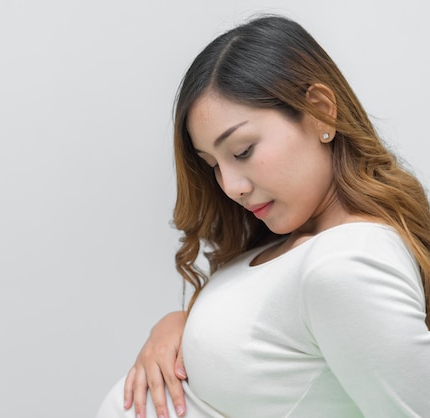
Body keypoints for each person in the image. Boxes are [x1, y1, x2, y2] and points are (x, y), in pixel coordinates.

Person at [95, 14, 430, 418]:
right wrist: (178, 323)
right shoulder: (298, 241)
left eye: (241, 151)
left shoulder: (347, 263)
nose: (231, 186)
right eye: (212, 165)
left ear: (321, 113)